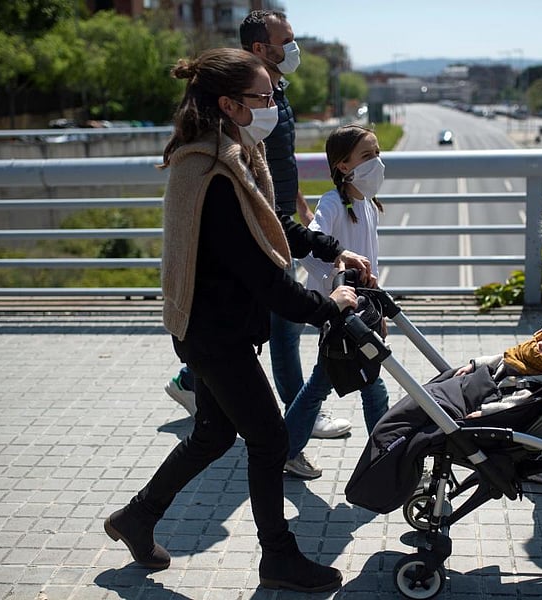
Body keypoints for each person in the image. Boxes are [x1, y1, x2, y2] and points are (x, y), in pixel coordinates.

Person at [104, 48, 370, 592]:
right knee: (270, 441)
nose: (273, 104)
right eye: (264, 96)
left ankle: (136, 518)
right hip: (212, 333)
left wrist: (329, 249)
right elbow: (265, 278)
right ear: (229, 103)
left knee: (212, 435)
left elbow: (270, 228)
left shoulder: (234, 153)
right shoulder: (214, 172)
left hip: (214, 327)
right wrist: (329, 307)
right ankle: (278, 558)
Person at [163, 9, 351, 440]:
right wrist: (328, 307)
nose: (294, 48)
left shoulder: (266, 103)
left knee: (212, 437)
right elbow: (244, 188)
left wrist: (303, 213)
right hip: (255, 244)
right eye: (287, 40)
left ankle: (195, 383)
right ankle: (298, 414)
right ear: (259, 49)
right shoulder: (225, 149)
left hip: (274, 221)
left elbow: (276, 165)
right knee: (282, 329)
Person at [283, 125, 391, 479]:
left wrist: (378, 311)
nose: (376, 162)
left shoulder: (367, 204)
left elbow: (370, 261)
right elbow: (309, 250)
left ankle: (284, 450)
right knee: (371, 387)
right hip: (341, 316)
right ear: (343, 165)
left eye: (377, 153)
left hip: (361, 315)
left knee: (323, 384)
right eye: (367, 156)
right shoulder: (332, 203)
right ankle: (385, 460)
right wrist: (336, 282)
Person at [454, 328, 542, 418]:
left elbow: (513, 405)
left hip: (484, 400)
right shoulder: (525, 356)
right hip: (479, 383)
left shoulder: (534, 385)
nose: (541, 344)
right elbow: (501, 359)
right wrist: (473, 365)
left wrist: (485, 413)